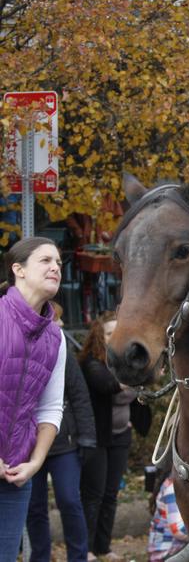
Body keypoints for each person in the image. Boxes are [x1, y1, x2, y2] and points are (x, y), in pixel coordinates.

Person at [0, 237, 66, 561]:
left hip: (15, 476)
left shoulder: (56, 338)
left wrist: (36, 462)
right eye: (45, 261)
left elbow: (50, 407)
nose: (55, 267)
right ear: (18, 269)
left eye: (59, 263)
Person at [25, 302, 96, 562]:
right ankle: (39, 557)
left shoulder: (61, 349)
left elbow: (79, 395)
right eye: (58, 319)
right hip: (28, 446)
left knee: (69, 500)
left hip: (63, 443)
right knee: (34, 507)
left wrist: (87, 437)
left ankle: (78, 556)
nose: (63, 324)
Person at [79, 312, 138, 561]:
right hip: (98, 438)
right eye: (108, 333)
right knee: (94, 495)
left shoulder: (123, 363)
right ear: (98, 337)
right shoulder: (92, 364)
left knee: (111, 494)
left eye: (118, 332)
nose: (114, 337)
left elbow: (134, 393)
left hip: (121, 435)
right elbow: (108, 386)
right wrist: (134, 378)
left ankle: (104, 546)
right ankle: (87, 548)